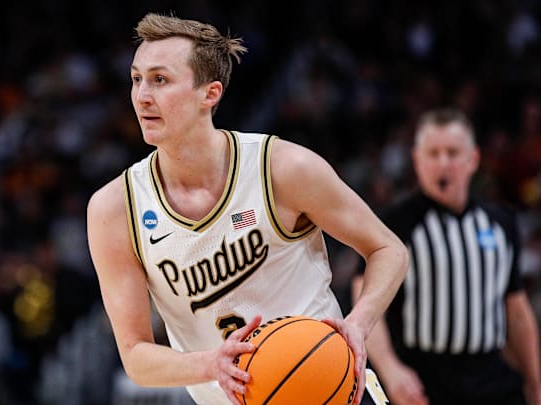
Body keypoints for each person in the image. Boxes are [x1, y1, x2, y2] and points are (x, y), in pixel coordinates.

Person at [86, 12, 408, 405]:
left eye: (160, 80)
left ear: (210, 93)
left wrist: (359, 323)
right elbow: (135, 356)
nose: (142, 96)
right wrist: (210, 365)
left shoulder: (283, 168)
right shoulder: (114, 209)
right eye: (136, 79)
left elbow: (387, 249)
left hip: (334, 389)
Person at [352, 107, 541, 405]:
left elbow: (516, 310)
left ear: (473, 159)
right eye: (433, 153)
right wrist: (390, 369)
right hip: (424, 377)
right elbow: (363, 296)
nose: (443, 163)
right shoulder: (396, 222)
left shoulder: (501, 222)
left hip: (490, 375)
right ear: (417, 160)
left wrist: (534, 382)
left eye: (452, 153)